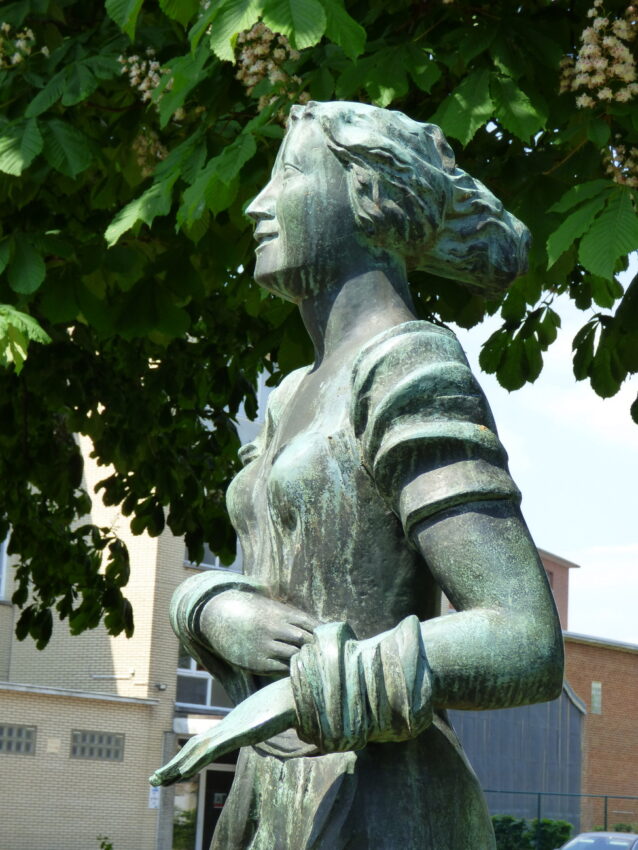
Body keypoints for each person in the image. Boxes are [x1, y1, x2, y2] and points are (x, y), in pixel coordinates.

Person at [152, 101, 564, 849]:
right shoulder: (290, 394)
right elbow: (267, 576)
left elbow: (524, 638)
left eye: (288, 175)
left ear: (370, 198)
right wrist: (210, 608)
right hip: (272, 796)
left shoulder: (409, 363)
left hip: (380, 806)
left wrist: (333, 680)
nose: (256, 205)